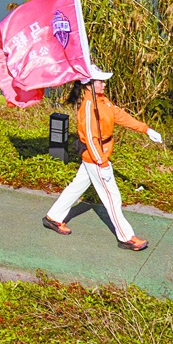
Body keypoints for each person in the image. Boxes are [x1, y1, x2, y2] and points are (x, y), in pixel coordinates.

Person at [43, 69, 163, 251]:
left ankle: (53, 217)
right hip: (96, 157)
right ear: (89, 85)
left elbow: (120, 115)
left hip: (97, 155)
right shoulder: (89, 107)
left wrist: (145, 129)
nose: (104, 84)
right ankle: (126, 237)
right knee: (112, 198)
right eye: (101, 81)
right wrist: (102, 162)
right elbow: (91, 138)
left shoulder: (103, 101)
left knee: (77, 187)